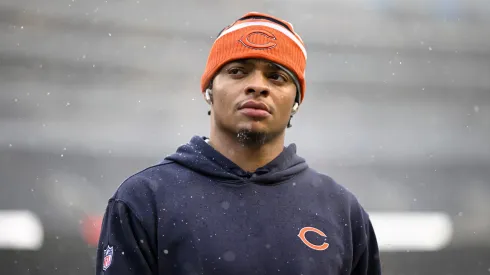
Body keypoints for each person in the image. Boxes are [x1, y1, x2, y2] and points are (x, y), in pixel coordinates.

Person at [96, 11, 382, 275]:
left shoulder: (341, 210)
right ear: (209, 89)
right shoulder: (144, 199)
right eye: (238, 71)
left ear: (295, 102)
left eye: (277, 76)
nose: (258, 85)